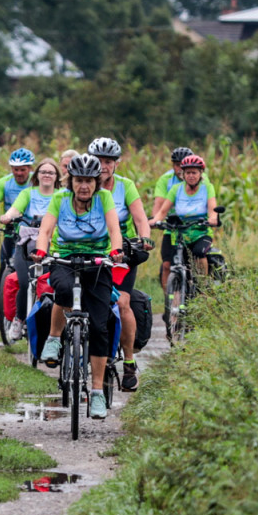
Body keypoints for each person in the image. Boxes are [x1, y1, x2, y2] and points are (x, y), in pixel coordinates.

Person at [34, 154, 124, 420]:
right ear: (70, 181)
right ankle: (53, 339)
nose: (83, 186)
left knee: (98, 326)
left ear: (96, 182)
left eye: (88, 181)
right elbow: (46, 231)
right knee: (61, 291)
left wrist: (116, 249)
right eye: (78, 180)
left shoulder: (104, 199)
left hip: (98, 262)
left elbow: (114, 228)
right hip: (65, 259)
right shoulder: (60, 199)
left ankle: (96, 392)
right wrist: (41, 250)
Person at [87, 137, 152, 392]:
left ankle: (128, 362)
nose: (103, 166)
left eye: (108, 161)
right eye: (99, 161)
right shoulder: (84, 185)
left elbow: (140, 218)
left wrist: (144, 237)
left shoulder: (126, 186)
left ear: (116, 164)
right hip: (91, 251)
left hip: (121, 254)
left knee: (122, 302)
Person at [0, 157, 63, 341]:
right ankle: (19, 319)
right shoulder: (28, 193)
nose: (46, 175)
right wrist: (8, 216)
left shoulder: (61, 195)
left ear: (56, 176)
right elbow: (16, 210)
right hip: (27, 244)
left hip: (53, 244)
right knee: (24, 281)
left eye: (50, 172)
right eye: (43, 172)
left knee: (51, 284)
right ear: (37, 175)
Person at [0, 148, 35, 316]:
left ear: (30, 168)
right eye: (15, 169)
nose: (18, 173)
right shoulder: (4, 182)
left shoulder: (35, 183)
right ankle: (6, 314)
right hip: (12, 231)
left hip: (33, 231)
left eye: (22, 169)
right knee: (4, 269)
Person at [149, 154, 220, 279]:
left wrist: (213, 219)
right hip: (179, 234)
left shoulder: (207, 188)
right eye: (188, 173)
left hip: (201, 233)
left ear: (201, 173)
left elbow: (212, 209)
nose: (191, 176)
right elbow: (162, 212)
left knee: (199, 253)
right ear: (183, 174)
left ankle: (203, 287)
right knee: (171, 263)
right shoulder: (176, 189)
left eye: (194, 172)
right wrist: (154, 222)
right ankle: (172, 296)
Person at [153, 146, 195, 298]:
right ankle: (169, 301)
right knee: (167, 265)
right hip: (172, 227)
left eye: (183, 164)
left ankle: (200, 291)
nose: (180, 168)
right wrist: (155, 220)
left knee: (195, 263)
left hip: (193, 227)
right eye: (177, 164)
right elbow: (159, 205)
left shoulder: (198, 179)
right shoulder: (166, 180)